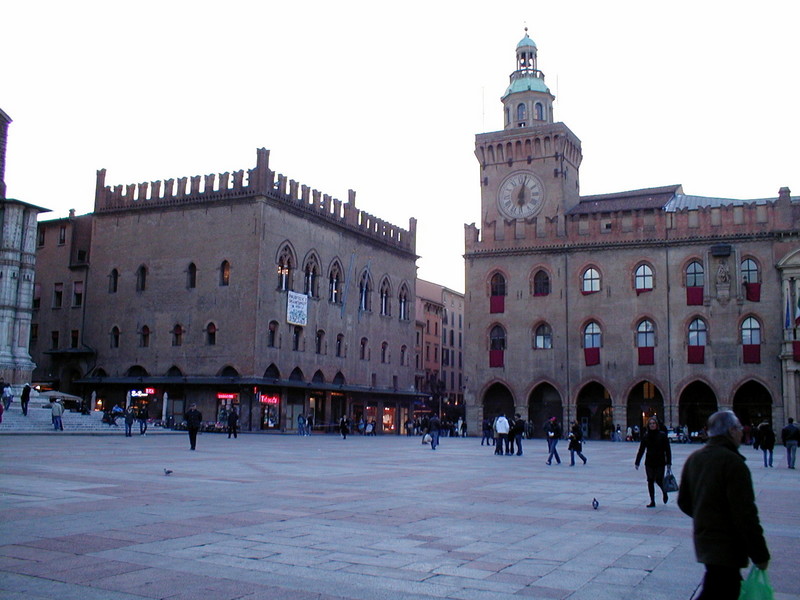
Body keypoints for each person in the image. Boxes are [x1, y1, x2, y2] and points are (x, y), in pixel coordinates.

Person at [678, 410, 770, 600]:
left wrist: (706, 517)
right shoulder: (734, 463)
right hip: (728, 546)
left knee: (716, 586)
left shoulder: (695, 459)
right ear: (730, 431)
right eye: (738, 428)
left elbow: (683, 501)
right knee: (722, 589)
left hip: (705, 542)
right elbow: (745, 514)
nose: (742, 432)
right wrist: (760, 554)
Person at [635, 417, 672, 507]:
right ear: (648, 425)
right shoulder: (646, 436)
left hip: (660, 461)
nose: (652, 425)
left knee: (659, 480)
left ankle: (664, 492)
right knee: (650, 480)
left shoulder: (662, 435)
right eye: (650, 424)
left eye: (653, 423)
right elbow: (641, 449)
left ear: (656, 425)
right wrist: (637, 461)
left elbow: (667, 450)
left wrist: (669, 463)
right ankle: (652, 501)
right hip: (649, 461)